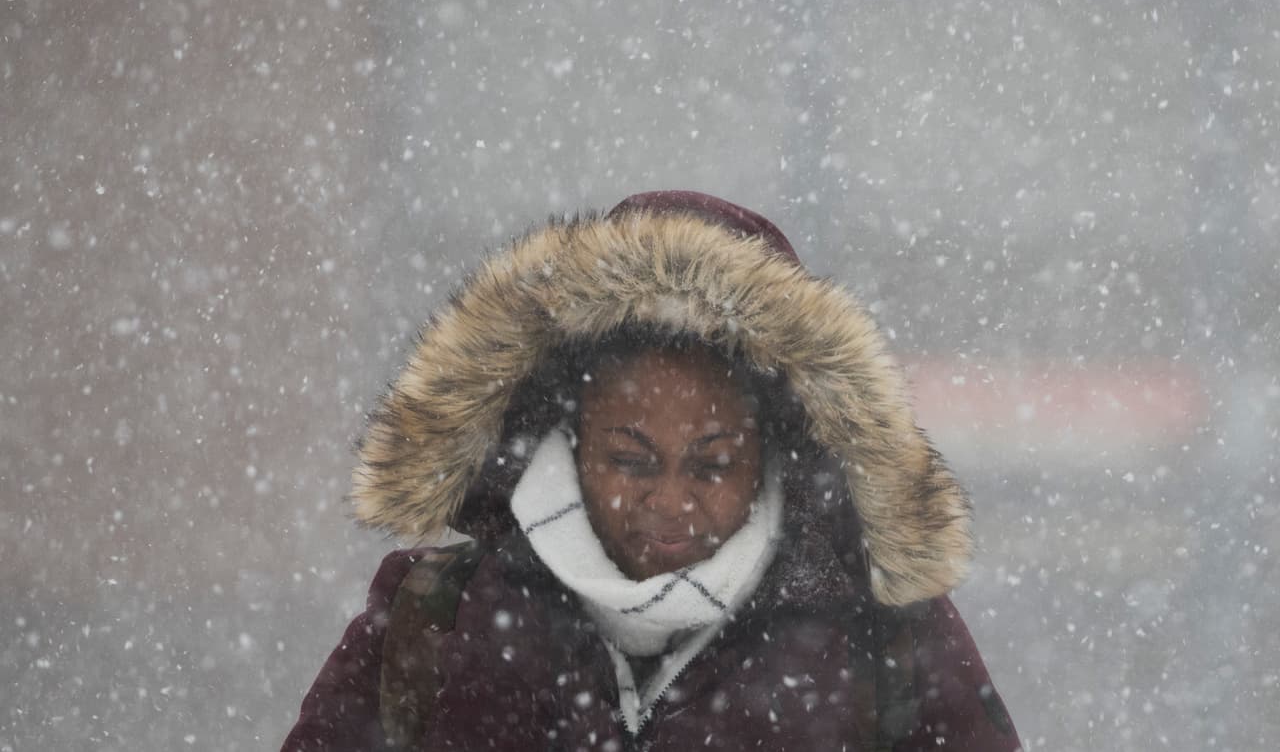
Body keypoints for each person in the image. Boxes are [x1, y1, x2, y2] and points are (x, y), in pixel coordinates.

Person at [282, 191, 1021, 751]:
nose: (670, 501)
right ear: (568, 439)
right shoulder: (432, 614)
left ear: (777, 454)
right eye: (630, 459)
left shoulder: (886, 641)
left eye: (714, 463)